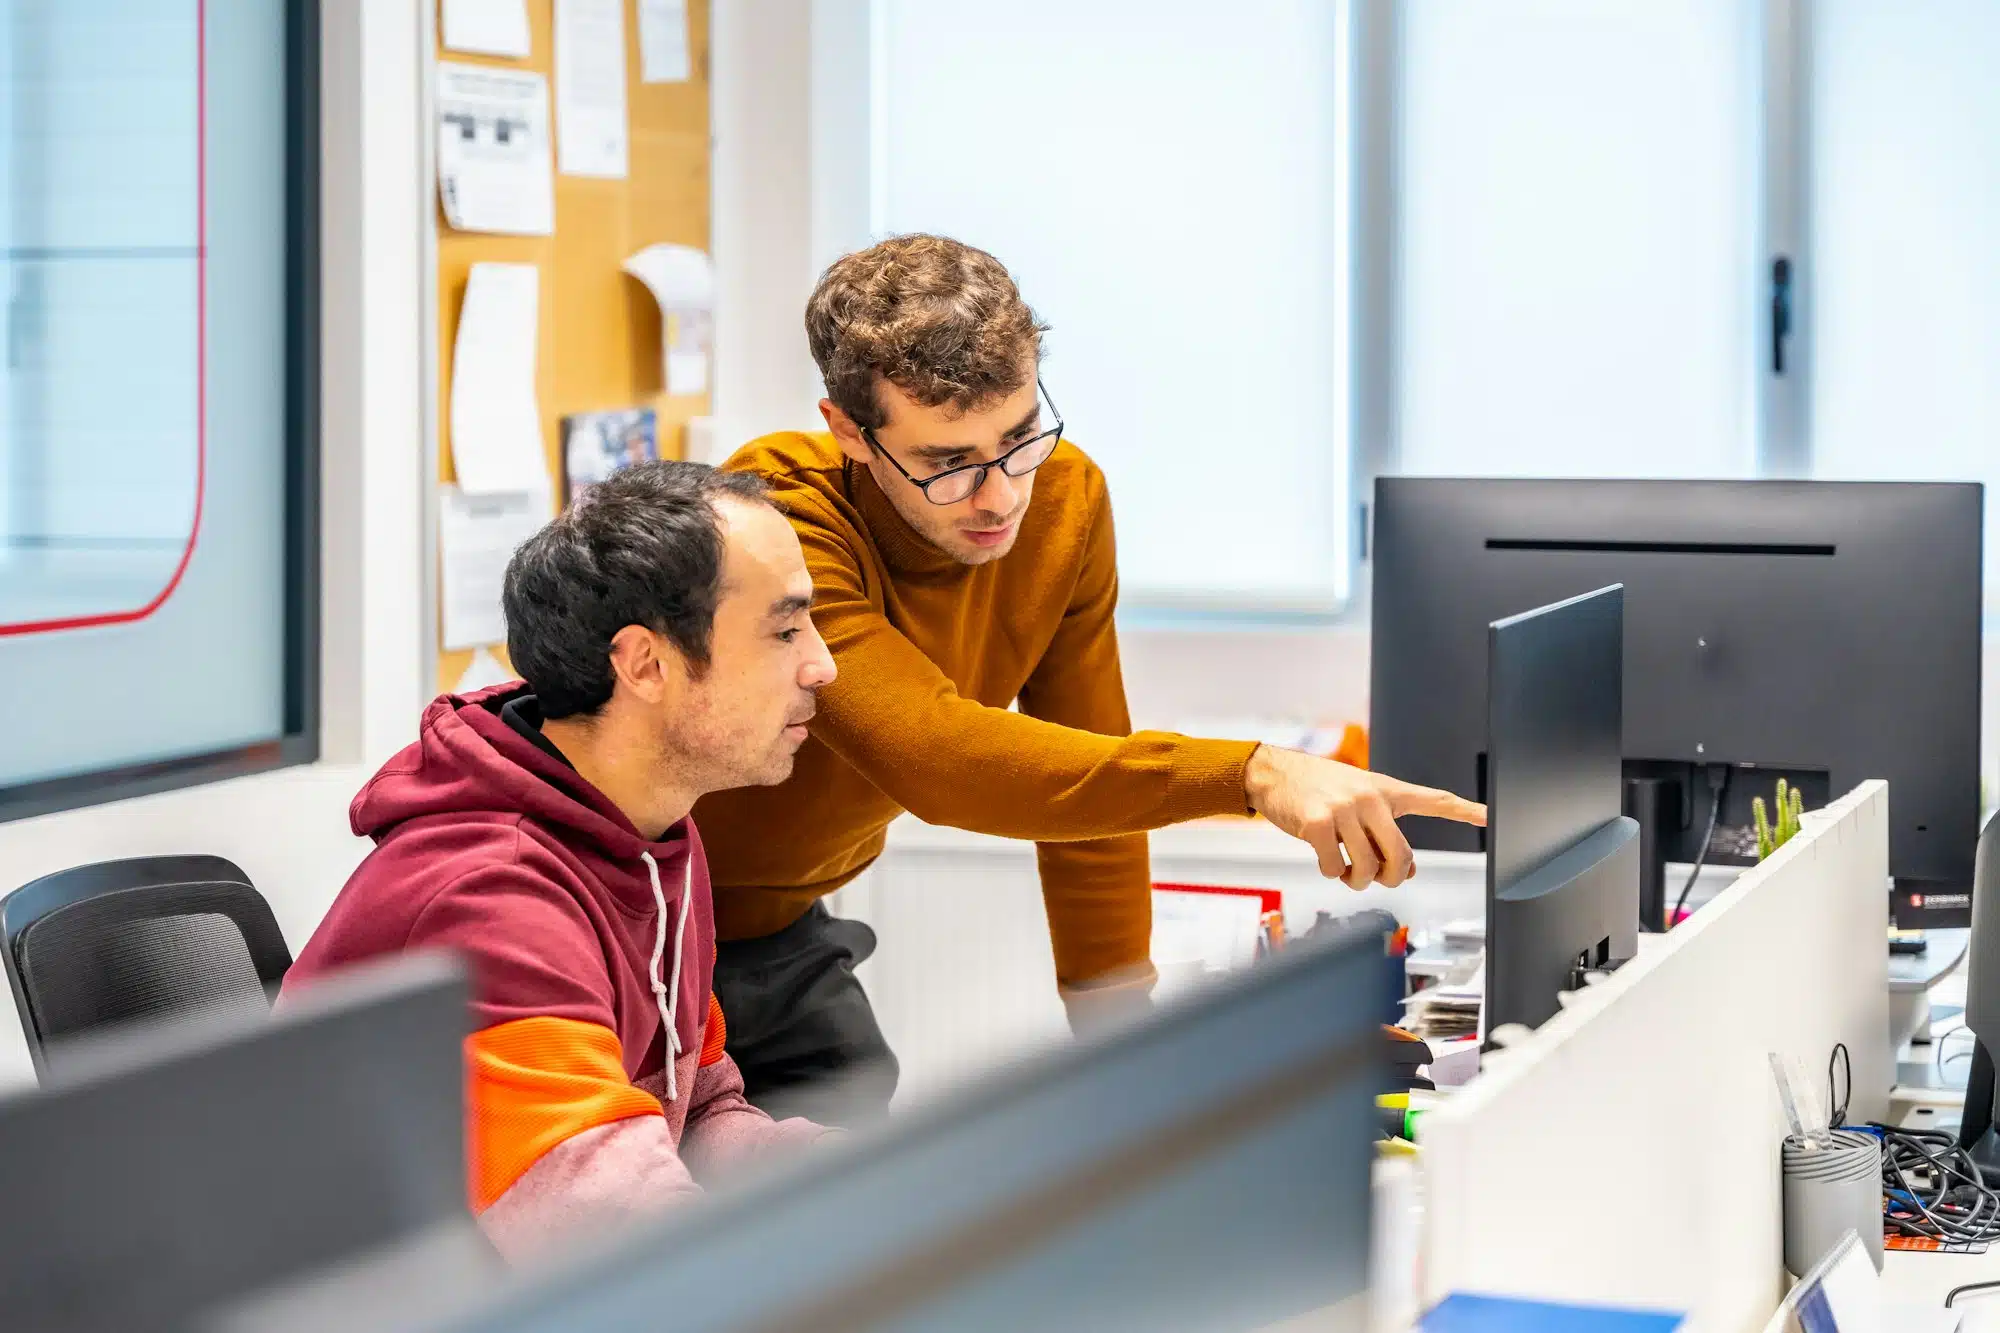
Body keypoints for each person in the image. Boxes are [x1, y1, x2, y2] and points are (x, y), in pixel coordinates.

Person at [695, 234, 1486, 1126]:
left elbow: (1090, 778)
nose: (998, 496)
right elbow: (934, 754)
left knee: (838, 1187)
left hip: (781, 922)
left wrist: (1121, 1044)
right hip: (617, 904)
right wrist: (1253, 772)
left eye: (1020, 436)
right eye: (947, 463)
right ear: (849, 431)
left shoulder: (1063, 501)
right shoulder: (774, 514)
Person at [284, 461, 838, 1259]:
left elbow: (697, 1106)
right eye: (785, 630)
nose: (822, 664)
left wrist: (851, 1175)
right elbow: (620, 1248)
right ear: (645, 664)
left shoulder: (652, 835)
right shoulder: (493, 897)